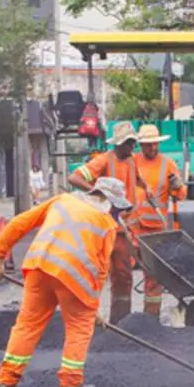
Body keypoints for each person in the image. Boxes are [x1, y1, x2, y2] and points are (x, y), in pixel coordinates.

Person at [0, 176, 132, 387]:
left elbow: (19, 223)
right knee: (79, 325)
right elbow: (100, 270)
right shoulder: (106, 224)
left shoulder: (62, 200)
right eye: (117, 208)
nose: (117, 213)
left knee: (27, 324)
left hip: (39, 267)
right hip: (72, 277)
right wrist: (93, 308)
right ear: (108, 200)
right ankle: (71, 381)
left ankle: (6, 380)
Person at [67, 120, 141, 322]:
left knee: (124, 278)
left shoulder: (132, 161)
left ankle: (120, 323)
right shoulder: (104, 161)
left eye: (134, 142)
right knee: (96, 275)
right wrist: (95, 192)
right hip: (104, 230)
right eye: (129, 143)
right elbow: (73, 178)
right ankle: (88, 321)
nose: (133, 147)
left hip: (123, 231)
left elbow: (137, 180)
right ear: (118, 144)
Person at [128, 123, 187, 319]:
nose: (152, 148)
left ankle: (150, 319)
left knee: (153, 278)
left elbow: (181, 195)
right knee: (121, 272)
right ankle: (120, 319)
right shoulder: (132, 162)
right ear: (140, 145)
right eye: (147, 145)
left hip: (155, 231)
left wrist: (178, 186)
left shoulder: (167, 164)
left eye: (154, 144)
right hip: (132, 228)